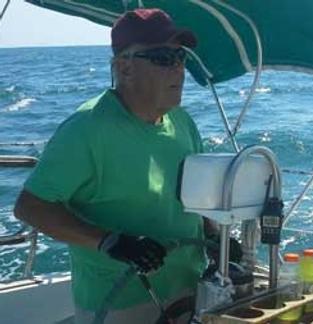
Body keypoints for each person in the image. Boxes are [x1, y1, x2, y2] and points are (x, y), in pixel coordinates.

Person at [14, 8, 206, 324]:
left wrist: (215, 236)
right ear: (124, 67)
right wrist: (110, 241)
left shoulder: (183, 123)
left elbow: (193, 196)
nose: (178, 69)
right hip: (119, 301)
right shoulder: (86, 130)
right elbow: (30, 207)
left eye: (180, 57)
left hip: (188, 286)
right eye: (162, 58)